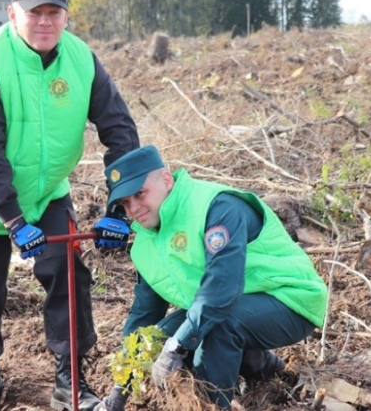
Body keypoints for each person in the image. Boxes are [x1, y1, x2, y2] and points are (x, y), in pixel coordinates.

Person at [0, 0, 139, 411]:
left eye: (55, 12)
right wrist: (13, 221)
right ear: (14, 14)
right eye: (35, 12)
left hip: (47, 191)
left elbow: (120, 132)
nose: (45, 21)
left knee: (68, 277)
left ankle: (70, 379)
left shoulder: (82, 60)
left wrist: (118, 206)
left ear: (67, 17)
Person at [95, 145, 328, 410]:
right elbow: (144, 316)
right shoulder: (146, 243)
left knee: (209, 329)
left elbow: (221, 288)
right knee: (157, 337)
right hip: (239, 303)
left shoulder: (216, 206)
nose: (134, 207)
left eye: (140, 193)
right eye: (125, 202)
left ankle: (212, 405)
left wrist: (177, 346)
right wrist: (120, 387)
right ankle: (260, 366)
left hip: (290, 298)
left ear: (166, 180)